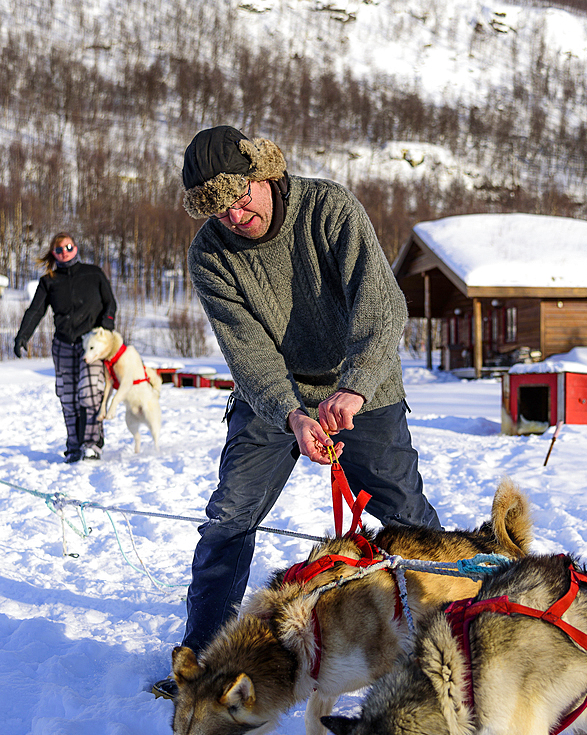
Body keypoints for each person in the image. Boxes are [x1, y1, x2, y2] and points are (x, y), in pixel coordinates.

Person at [152, 125, 439, 698]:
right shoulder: (210, 255)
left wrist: (355, 388)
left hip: (363, 383)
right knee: (229, 518)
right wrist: (291, 414)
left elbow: (382, 308)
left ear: (263, 174)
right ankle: (207, 657)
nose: (236, 215)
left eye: (241, 197)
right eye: (219, 210)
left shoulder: (328, 209)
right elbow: (248, 350)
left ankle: (451, 635)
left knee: (406, 515)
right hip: (272, 397)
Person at [14, 232, 117, 463]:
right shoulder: (49, 280)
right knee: (68, 398)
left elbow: (110, 303)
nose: (64, 252)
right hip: (63, 345)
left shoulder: (93, 273)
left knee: (90, 393)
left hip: (90, 344)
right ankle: (74, 446)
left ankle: (92, 444)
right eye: (59, 249)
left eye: (68, 247)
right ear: (53, 253)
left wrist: (105, 328)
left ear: (76, 247)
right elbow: (35, 311)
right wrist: (22, 336)